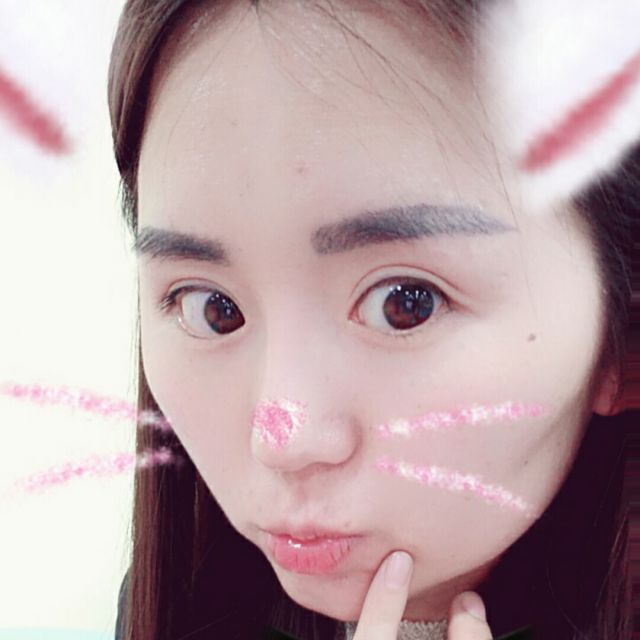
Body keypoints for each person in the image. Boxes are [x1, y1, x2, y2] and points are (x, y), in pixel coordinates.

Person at [108, 1, 639, 638]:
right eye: (212, 309)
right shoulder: (181, 606)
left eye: (405, 304)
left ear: (621, 338)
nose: (284, 441)